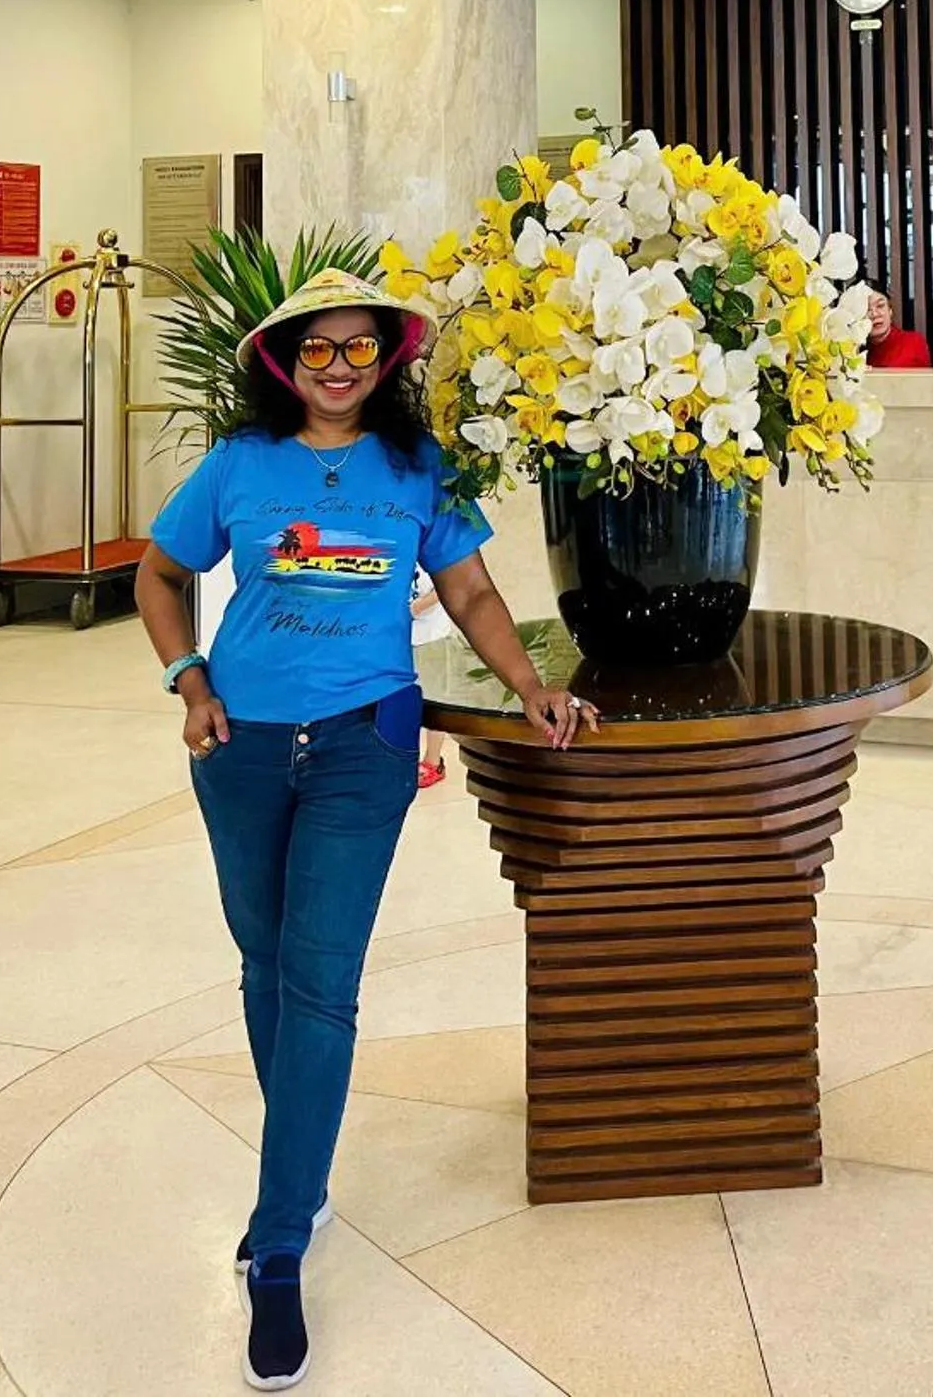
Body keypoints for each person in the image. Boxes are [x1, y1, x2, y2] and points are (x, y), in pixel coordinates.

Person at [134, 268, 595, 1393]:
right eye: (316, 349)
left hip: (363, 743)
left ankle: (279, 1236)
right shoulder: (239, 465)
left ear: (385, 360)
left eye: (357, 349)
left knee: (320, 979)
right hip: (239, 742)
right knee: (262, 961)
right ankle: (306, 1165)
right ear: (281, 360)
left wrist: (531, 683)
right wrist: (189, 679)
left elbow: (476, 595)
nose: (336, 366)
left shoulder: (416, 466)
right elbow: (158, 572)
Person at [411, 569, 454, 788]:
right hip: (396, 634)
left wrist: (417, 606)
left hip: (432, 633)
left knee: (436, 698)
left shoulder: (434, 541)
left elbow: (448, 583)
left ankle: (433, 761)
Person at [866, 285, 933, 370]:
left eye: (880, 306)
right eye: (866, 309)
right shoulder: (851, 351)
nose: (874, 314)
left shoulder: (913, 342)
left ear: (890, 310)